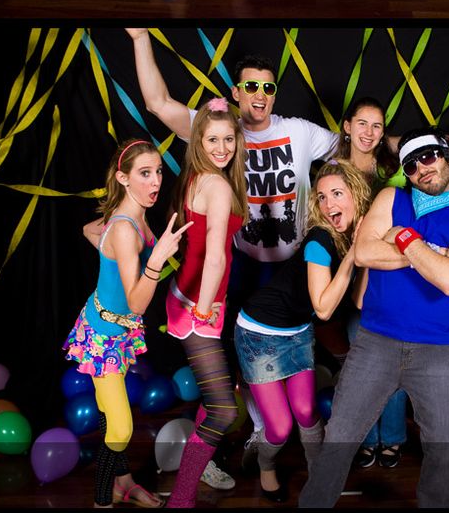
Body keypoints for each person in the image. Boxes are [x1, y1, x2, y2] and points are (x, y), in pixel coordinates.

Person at [125, 33, 340, 470]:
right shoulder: (219, 128)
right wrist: (140, 37)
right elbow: (158, 102)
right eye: (252, 86)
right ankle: (256, 434)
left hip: (290, 266)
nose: (260, 95)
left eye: (269, 87)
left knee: (301, 352)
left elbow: (353, 144)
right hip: (239, 266)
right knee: (237, 364)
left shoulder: (296, 131)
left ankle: (296, 446)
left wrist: (407, 148)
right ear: (236, 92)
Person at [298, 128, 449, 509]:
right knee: (338, 438)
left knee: (440, 450)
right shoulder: (390, 197)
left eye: (430, 156)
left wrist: (403, 236)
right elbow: (366, 253)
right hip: (375, 342)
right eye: (412, 163)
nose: (422, 167)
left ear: (448, 157)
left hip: (438, 351)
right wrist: (436, 257)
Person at [65, 139, 191, 510]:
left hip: (117, 331)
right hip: (103, 336)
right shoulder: (123, 227)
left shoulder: (133, 214)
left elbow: (92, 231)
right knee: (119, 428)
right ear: (123, 177)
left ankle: (124, 484)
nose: (155, 183)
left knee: (110, 415)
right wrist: (158, 259)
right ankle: (104, 500)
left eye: (158, 173)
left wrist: (111, 258)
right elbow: (136, 303)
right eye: (144, 174)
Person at [235, 160, 371, 501]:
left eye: (337, 194)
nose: (328, 205)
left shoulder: (346, 238)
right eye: (322, 197)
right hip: (259, 333)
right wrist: (355, 254)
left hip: (296, 331)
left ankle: (320, 477)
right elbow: (324, 308)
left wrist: (364, 251)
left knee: (308, 413)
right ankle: (265, 465)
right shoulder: (320, 239)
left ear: (356, 196)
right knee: (280, 429)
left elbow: (357, 300)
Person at [163, 99, 249, 506]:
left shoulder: (199, 176)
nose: (222, 147)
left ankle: (201, 468)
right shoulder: (216, 184)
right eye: (212, 139)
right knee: (224, 411)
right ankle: (181, 499)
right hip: (198, 305)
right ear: (198, 140)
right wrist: (203, 308)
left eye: (228, 139)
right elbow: (214, 254)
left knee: (216, 396)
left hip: (195, 297)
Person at [336, 101, 408, 471]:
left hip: (392, 273)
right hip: (349, 274)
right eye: (361, 124)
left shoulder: (391, 169)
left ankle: (392, 436)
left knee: (392, 362)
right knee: (360, 365)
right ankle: (365, 437)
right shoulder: (334, 172)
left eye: (376, 126)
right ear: (346, 126)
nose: (368, 132)